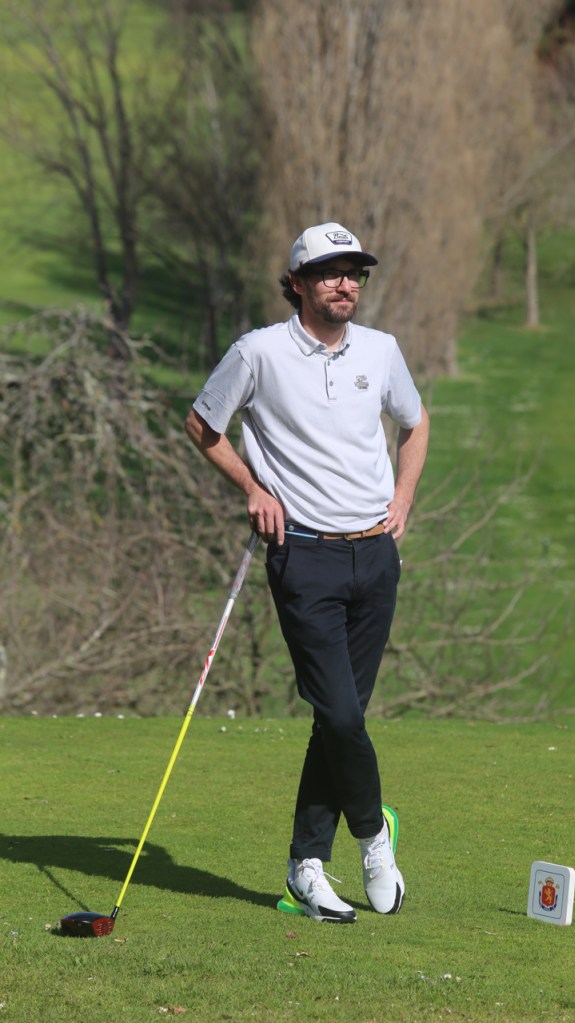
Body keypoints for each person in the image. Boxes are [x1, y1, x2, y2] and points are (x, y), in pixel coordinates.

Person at [185, 222, 429, 923]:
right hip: (305, 556)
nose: (344, 283)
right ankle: (374, 837)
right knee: (341, 713)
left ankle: (306, 867)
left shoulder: (381, 350)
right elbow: (202, 425)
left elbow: (415, 423)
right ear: (297, 283)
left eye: (354, 272)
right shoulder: (257, 352)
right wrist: (252, 489)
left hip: (375, 555)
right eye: (329, 272)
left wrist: (404, 497)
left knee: (337, 720)